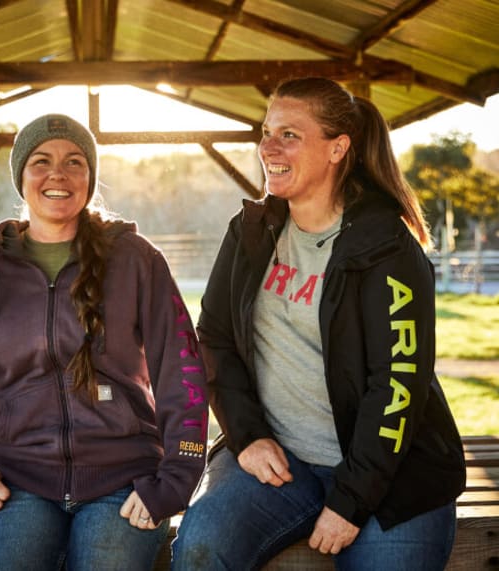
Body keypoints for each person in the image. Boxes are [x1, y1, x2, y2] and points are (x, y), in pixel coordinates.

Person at [171, 77, 466, 570]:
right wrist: (247, 436)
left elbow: (398, 385)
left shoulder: (387, 248)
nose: (268, 147)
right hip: (283, 461)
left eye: (289, 134)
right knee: (202, 549)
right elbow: (215, 339)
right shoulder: (250, 232)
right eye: (267, 132)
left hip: (392, 475)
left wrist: (351, 500)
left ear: (337, 148)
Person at [0, 113, 208, 570]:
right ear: (21, 176)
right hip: (17, 480)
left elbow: (183, 372)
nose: (58, 173)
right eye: (41, 160)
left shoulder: (136, 261)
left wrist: (176, 478)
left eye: (74, 161)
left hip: (123, 479)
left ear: (90, 178)